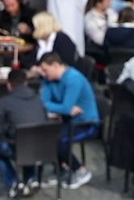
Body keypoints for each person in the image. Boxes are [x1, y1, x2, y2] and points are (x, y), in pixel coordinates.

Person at [35, 48, 98, 189]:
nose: (44, 74)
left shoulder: (73, 79)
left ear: (56, 65)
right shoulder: (48, 80)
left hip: (85, 123)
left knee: (59, 140)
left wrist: (58, 107)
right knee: (45, 136)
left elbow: (66, 106)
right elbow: (44, 103)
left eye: (46, 70)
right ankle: (62, 169)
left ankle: (80, 170)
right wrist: (62, 108)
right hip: (67, 121)